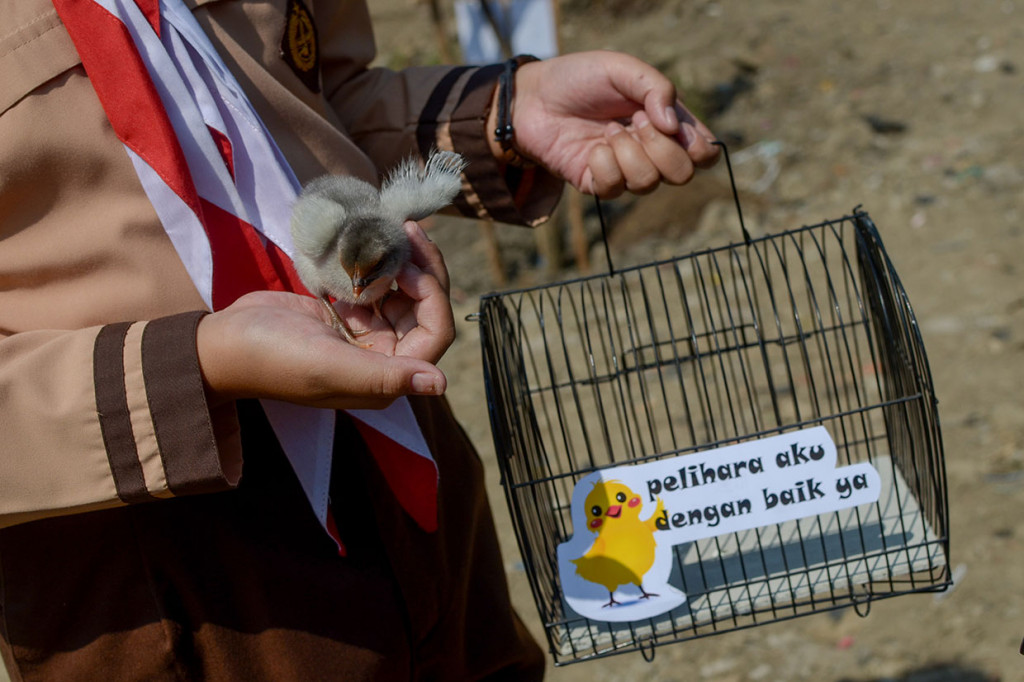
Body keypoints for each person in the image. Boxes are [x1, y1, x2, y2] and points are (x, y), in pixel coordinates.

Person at [0, 0, 720, 679]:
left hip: (401, 454)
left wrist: (504, 113)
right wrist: (201, 365)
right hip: (162, 575)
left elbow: (315, 96)